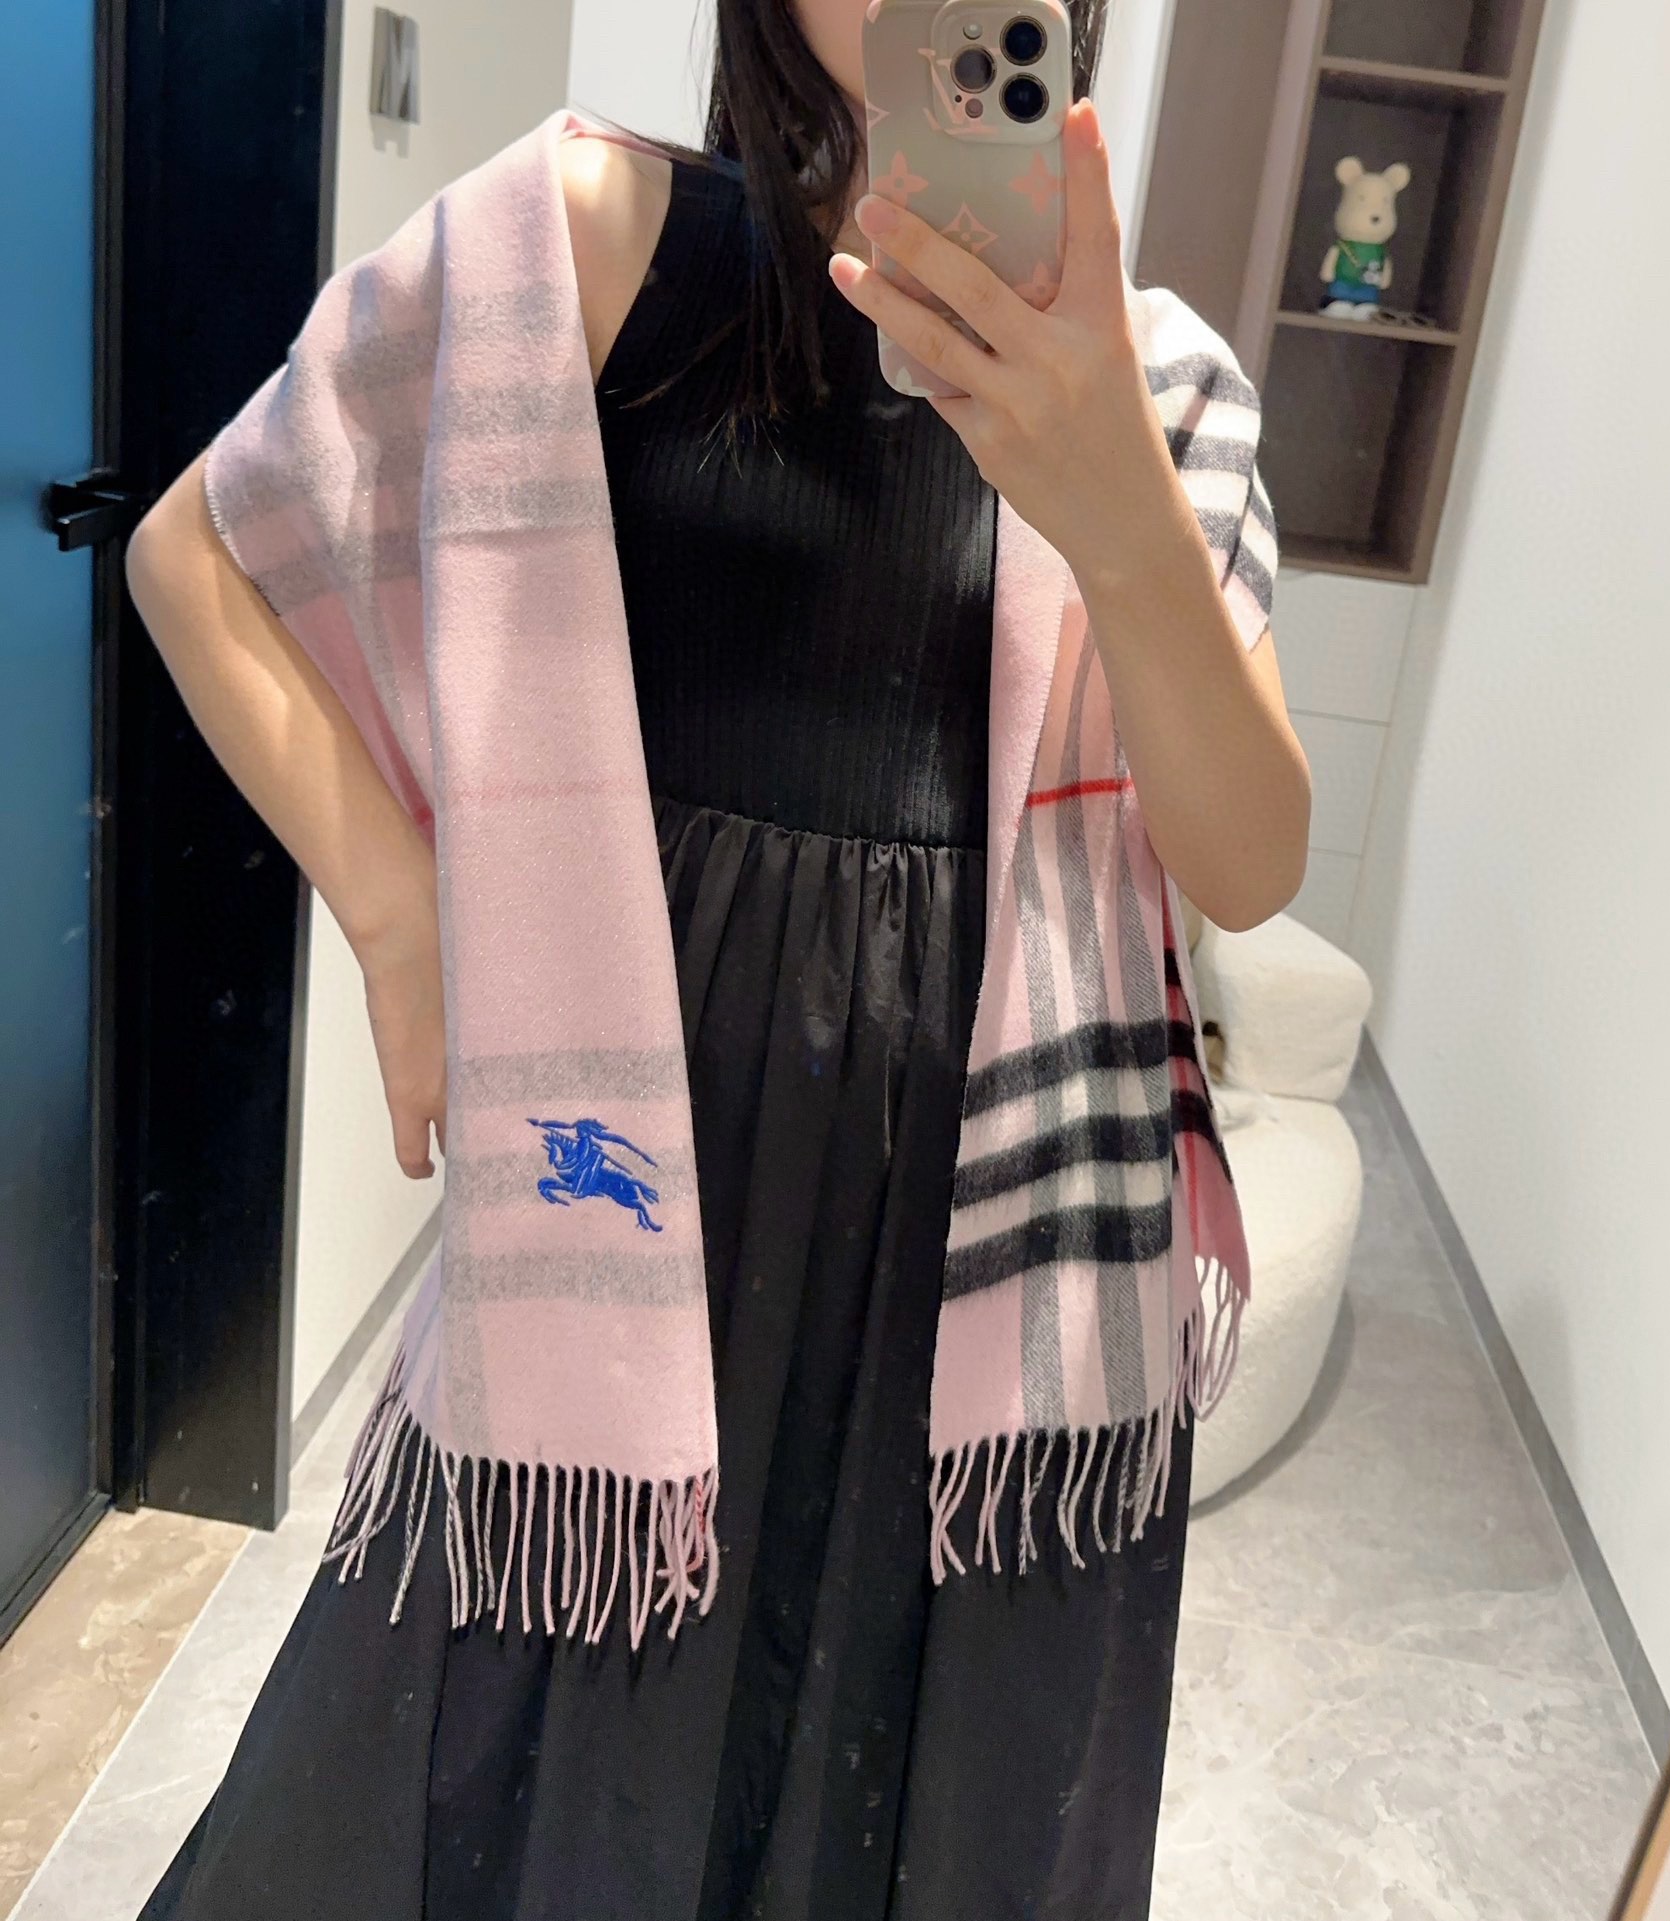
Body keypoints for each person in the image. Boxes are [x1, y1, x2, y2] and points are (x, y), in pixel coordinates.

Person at [123, 1, 1310, 1914]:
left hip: (974, 1264)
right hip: (637, 1208)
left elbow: (1246, 862)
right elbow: (194, 554)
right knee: (500, 1772)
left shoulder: (1163, 383)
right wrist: (402, 923)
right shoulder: (589, 244)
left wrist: (1114, 503)